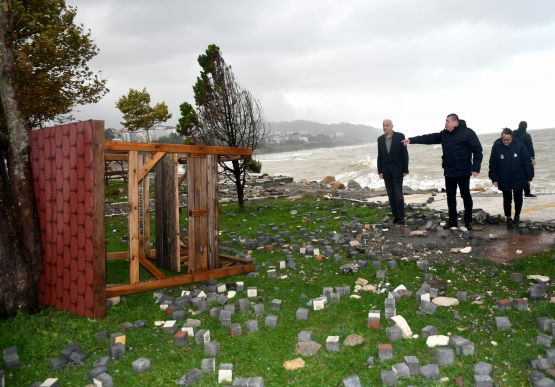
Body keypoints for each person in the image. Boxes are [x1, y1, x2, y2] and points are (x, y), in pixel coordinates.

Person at [402, 113, 483, 230]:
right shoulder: (444, 134)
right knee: (450, 197)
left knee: (466, 196)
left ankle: (468, 221)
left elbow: (477, 150)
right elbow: (429, 138)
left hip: (463, 171)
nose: (446, 123)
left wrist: (476, 168)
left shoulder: (468, 133)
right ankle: (453, 221)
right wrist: (411, 140)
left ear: (456, 122)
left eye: (448, 121)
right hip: (449, 171)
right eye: (446, 122)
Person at [488, 128, 534, 229]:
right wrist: (494, 178)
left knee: (518, 198)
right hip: (504, 177)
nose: (506, 141)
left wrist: (529, 176)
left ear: (512, 138)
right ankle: (508, 218)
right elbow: (493, 163)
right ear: (501, 137)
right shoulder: (496, 146)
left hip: (518, 176)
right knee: (507, 198)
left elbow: (526, 161)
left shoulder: (519, 145)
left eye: (508, 139)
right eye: (504, 139)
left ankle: (517, 216)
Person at [377, 119, 409, 224]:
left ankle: (401, 216)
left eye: (387, 125)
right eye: (383, 126)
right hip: (386, 172)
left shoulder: (400, 136)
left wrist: (405, 169)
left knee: (398, 194)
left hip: (398, 170)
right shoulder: (380, 139)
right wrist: (380, 171)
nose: (385, 127)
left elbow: (405, 154)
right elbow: (380, 156)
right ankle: (395, 216)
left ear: (391, 126)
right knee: (391, 195)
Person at [513, 120, 536, 197]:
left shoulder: (513, 133)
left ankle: (516, 193)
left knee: (516, 175)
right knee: (527, 175)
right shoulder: (527, 135)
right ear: (526, 127)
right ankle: (527, 193)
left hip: (514, 157)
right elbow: (530, 147)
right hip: (525, 158)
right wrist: (533, 157)